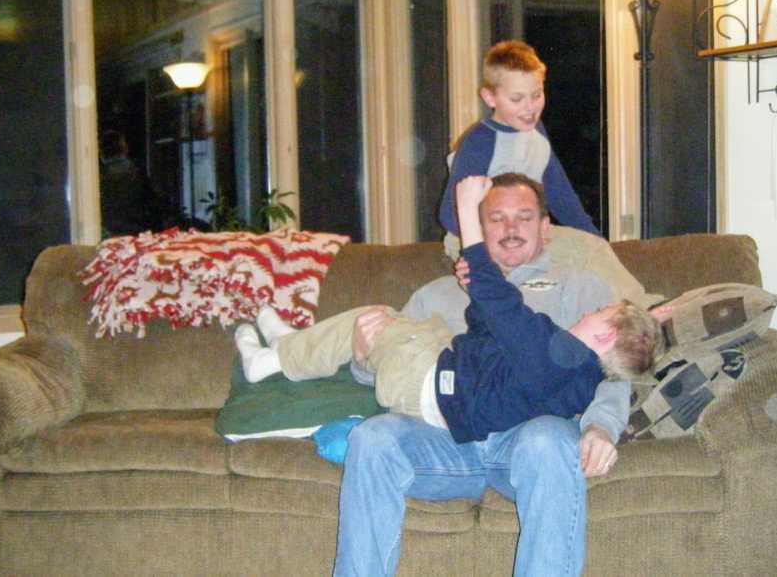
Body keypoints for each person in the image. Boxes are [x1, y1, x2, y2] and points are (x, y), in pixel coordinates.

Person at [234, 177, 659, 444]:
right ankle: (285, 349)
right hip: (443, 411)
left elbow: (613, 376)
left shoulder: (579, 286)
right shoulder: (439, 291)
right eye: (496, 219)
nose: (511, 229)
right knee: (375, 423)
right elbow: (383, 366)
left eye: (524, 217)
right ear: (482, 225)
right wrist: (362, 356)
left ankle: (279, 353)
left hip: (510, 432)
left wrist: (602, 428)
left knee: (544, 441)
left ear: (545, 227)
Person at [438, 40, 600, 257]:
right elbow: (450, 213)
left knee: (593, 258)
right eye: (517, 98)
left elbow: (562, 197)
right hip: (470, 240)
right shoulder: (480, 142)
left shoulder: (537, 135)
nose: (530, 108)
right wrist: (496, 244)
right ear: (489, 97)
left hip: (525, 236)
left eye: (536, 95)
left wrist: (598, 244)